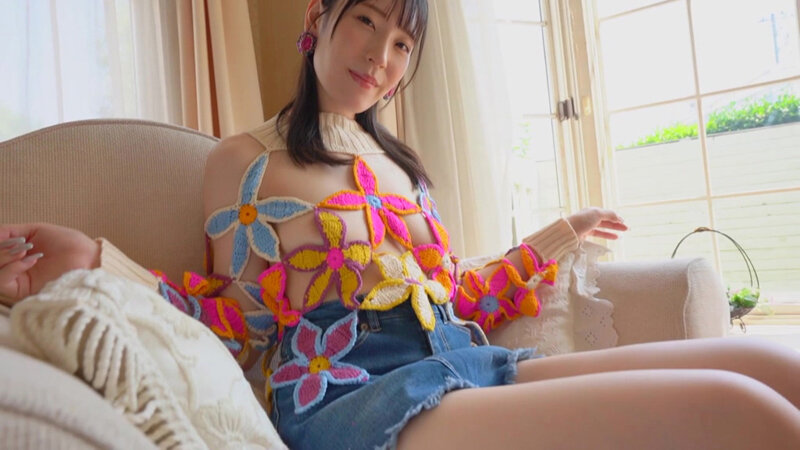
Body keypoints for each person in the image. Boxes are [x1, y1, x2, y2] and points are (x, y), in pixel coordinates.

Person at [1, 0, 799, 448]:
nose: (381, 54)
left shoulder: (402, 168)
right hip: (357, 394)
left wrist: (561, 234)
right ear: (319, 17)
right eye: (366, 21)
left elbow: (457, 295)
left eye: (402, 42)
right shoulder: (247, 160)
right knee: (734, 409)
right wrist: (93, 261)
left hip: (466, 360)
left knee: (770, 366)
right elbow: (237, 319)